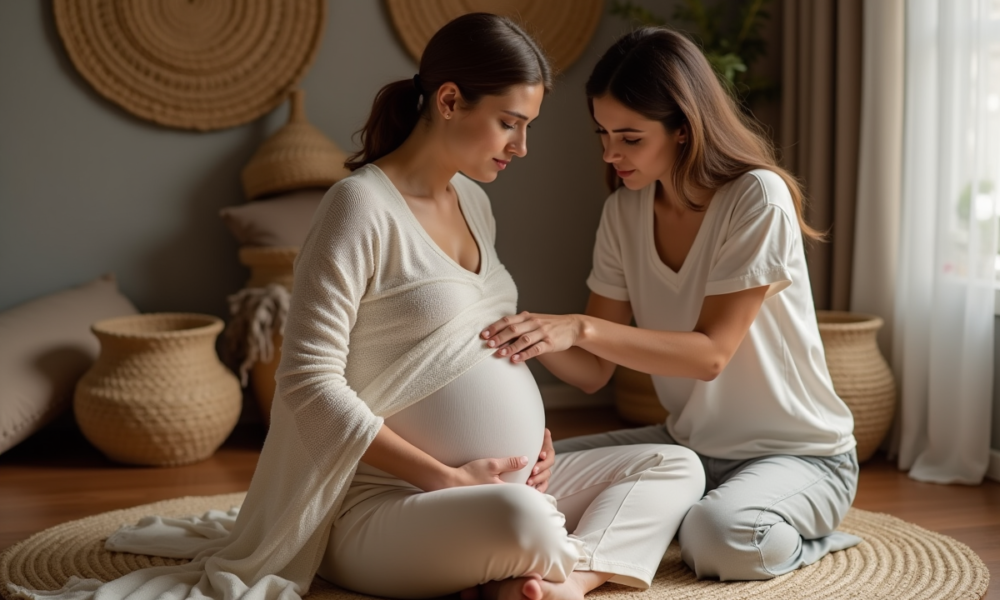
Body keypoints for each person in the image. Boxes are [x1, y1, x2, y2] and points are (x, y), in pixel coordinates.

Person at [308, 13, 704, 600]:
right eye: (509, 124)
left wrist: (536, 449)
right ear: (448, 101)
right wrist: (444, 478)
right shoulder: (359, 207)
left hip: (503, 491)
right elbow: (307, 385)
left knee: (678, 467)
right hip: (390, 502)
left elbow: (482, 346)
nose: (522, 147)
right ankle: (527, 565)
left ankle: (546, 578)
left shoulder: (473, 202)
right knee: (523, 519)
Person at [480, 26, 861, 582]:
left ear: (683, 130)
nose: (611, 154)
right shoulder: (624, 212)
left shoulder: (757, 198)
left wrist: (579, 327)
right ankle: (681, 509)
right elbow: (591, 373)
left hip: (802, 456)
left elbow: (710, 355)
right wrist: (520, 326)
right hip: (688, 450)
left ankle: (813, 538)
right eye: (603, 134)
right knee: (519, 484)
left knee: (719, 537)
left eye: (631, 138)